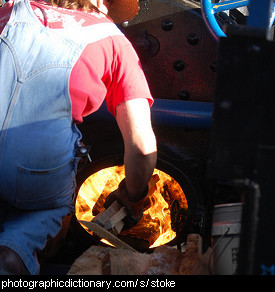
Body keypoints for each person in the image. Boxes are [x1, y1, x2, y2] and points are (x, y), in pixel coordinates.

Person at [0, 0, 157, 275]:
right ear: (98, 2)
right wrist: (133, 196)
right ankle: (13, 252)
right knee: (43, 213)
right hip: (38, 168)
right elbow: (142, 148)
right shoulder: (114, 41)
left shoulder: (9, 12)